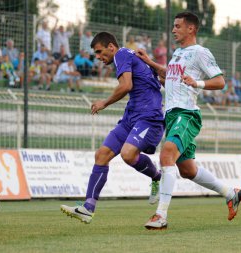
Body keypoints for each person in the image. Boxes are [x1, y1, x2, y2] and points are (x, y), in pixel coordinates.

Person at [136, 11, 241, 230]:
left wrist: (198, 84)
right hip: (173, 115)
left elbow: (220, 81)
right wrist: (150, 63)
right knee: (186, 170)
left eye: (177, 26)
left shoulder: (200, 52)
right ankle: (230, 193)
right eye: (174, 26)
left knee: (166, 154)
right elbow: (172, 77)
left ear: (191, 29)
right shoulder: (177, 53)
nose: (173, 30)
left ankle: (161, 216)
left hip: (187, 114)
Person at [60, 32, 164, 224]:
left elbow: (126, 85)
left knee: (127, 154)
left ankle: (157, 177)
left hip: (149, 117)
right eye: (96, 54)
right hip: (131, 116)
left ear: (111, 46)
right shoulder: (129, 55)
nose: (98, 57)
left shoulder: (121, 55)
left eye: (100, 52)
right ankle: (87, 208)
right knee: (102, 154)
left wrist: (104, 103)